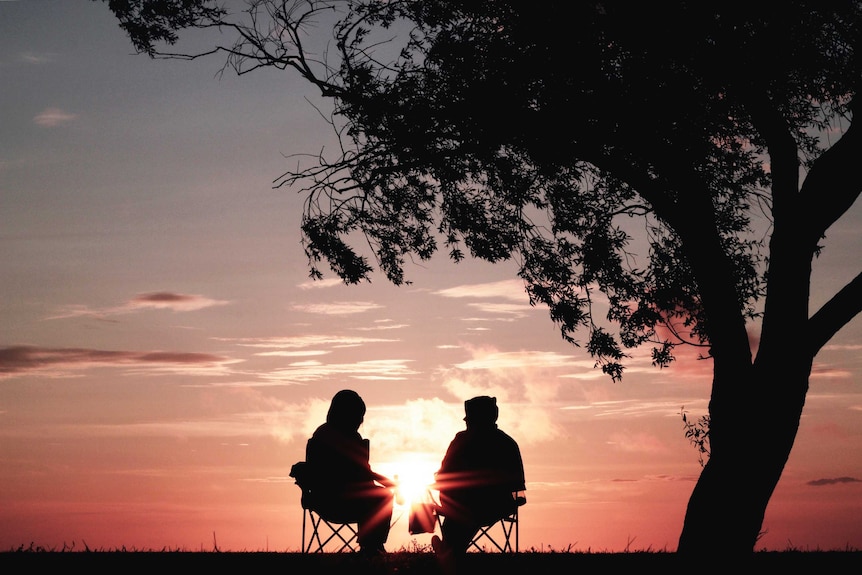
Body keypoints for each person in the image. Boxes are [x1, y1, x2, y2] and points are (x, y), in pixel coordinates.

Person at [432, 396, 526, 561]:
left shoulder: (461, 440)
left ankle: (449, 551)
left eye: (469, 420)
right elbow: (518, 487)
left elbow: (443, 476)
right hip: (497, 506)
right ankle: (450, 550)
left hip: (465, 507)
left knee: (459, 515)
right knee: (463, 515)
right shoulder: (507, 443)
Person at [303, 389, 395, 555]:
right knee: (384, 496)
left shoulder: (323, 434)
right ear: (346, 414)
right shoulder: (332, 437)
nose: (360, 421)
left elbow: (364, 473)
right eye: (358, 415)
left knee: (380, 496)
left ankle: (372, 545)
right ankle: (371, 546)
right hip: (335, 500)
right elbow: (362, 472)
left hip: (325, 499)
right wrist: (391, 484)